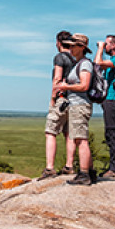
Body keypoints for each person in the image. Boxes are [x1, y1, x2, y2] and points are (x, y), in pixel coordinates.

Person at [56, 34, 95, 185]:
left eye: (73, 46)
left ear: (82, 47)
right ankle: (90, 172)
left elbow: (84, 86)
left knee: (81, 140)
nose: (70, 48)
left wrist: (66, 86)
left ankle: (84, 175)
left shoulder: (84, 64)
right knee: (80, 139)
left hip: (80, 104)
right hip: (76, 105)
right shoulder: (79, 63)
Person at [38, 31, 76, 181]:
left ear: (59, 42)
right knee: (69, 134)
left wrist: (53, 98)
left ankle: (49, 168)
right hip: (74, 100)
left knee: (51, 132)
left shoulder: (60, 57)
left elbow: (57, 78)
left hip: (61, 99)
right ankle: (69, 166)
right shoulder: (76, 59)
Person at [94, 35, 115, 178]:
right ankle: (114, 167)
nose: (105, 46)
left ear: (114, 45)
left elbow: (97, 63)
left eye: (107, 43)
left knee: (112, 132)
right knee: (109, 133)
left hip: (113, 100)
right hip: (108, 99)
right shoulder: (114, 60)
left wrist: (100, 48)